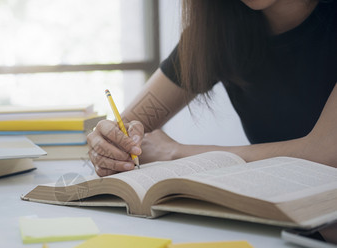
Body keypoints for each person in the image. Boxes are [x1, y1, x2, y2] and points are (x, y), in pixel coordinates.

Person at [87, 0, 337, 177]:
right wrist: (108, 145)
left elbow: (325, 153)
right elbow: (128, 128)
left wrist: (177, 153)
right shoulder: (217, 32)